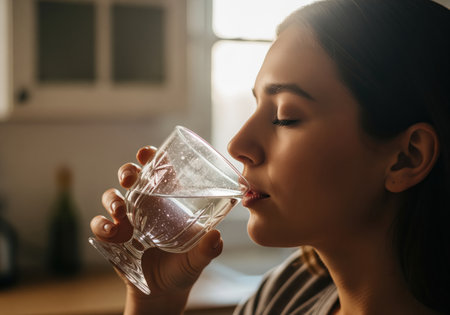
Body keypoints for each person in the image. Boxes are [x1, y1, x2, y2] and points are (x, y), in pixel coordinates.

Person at [90, 0, 450, 314]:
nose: (237, 144)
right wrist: (153, 304)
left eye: (285, 117)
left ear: (407, 157)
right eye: (256, 105)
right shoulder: (286, 293)